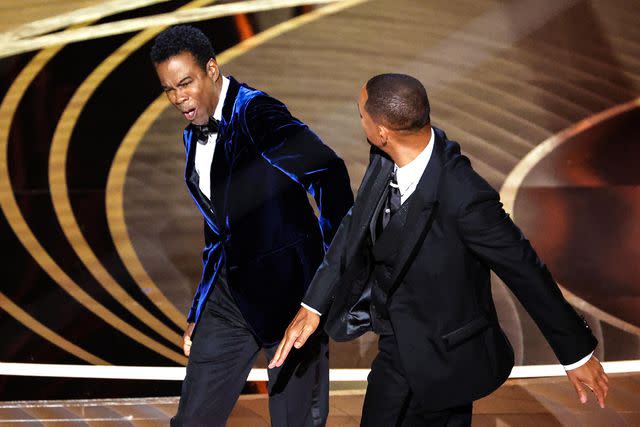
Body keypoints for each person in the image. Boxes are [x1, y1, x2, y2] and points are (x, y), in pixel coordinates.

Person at [270, 73, 609, 426]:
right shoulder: (384, 157)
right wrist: (314, 304)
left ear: (383, 132)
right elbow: (357, 223)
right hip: (395, 346)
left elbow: (524, 269)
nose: (360, 122)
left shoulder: (465, 197)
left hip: (447, 360)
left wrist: (576, 354)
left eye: (361, 115)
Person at [150, 25, 353, 426]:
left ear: (211, 68)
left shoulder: (258, 114)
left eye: (186, 83)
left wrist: (325, 284)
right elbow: (218, 229)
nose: (178, 98)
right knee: (192, 420)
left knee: (296, 423)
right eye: (169, 90)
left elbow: (329, 174)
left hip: (290, 299)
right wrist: (200, 307)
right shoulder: (193, 135)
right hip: (230, 296)